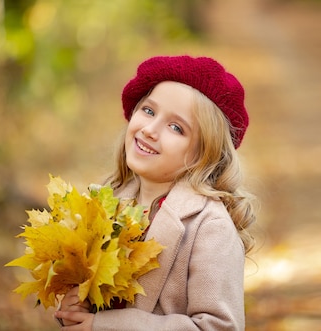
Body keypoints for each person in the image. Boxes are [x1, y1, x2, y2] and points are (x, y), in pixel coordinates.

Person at [53, 55, 257, 330]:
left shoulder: (209, 226)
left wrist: (106, 326)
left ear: (204, 153)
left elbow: (219, 326)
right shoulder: (107, 203)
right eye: (148, 111)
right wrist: (76, 308)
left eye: (176, 127)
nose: (150, 130)